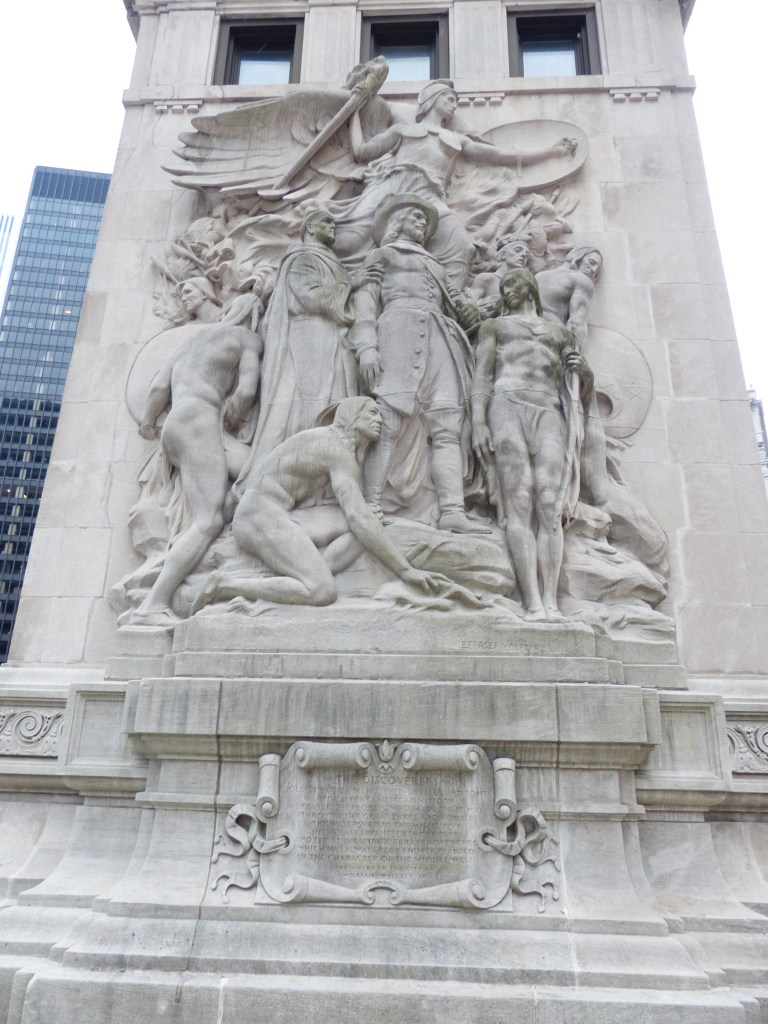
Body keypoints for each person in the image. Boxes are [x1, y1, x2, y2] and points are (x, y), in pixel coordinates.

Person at [191, 397, 448, 610]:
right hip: (258, 515)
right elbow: (358, 516)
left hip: (282, 513)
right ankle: (224, 584)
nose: (379, 420)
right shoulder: (333, 446)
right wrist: (406, 571)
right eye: (371, 413)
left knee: (369, 522)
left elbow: (362, 518)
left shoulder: (335, 446)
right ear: (352, 416)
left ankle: (311, 571)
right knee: (322, 591)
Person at [336, 80, 577, 287]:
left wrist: (550, 151)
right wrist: (353, 111)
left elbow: (502, 155)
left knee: (463, 247)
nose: (454, 105)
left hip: (430, 194)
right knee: (348, 240)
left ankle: (449, 303)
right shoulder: (402, 130)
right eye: (449, 99)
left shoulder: (457, 140)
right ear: (432, 100)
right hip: (391, 186)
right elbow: (360, 152)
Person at [350, 194, 489, 535]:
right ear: (396, 220)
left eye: (424, 218)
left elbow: (454, 303)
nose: (422, 221)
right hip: (396, 331)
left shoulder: (435, 265)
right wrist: (367, 346)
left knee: (447, 427)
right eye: (414, 215)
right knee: (388, 422)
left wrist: (471, 311)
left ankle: (453, 511)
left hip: (441, 338)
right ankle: (370, 503)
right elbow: (365, 301)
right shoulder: (381, 254)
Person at [121, 320, 263, 626]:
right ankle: (152, 605)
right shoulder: (246, 338)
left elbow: (159, 386)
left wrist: (147, 423)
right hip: (201, 419)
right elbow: (247, 390)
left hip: (174, 423)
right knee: (208, 521)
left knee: (249, 477)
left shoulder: (189, 342)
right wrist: (234, 420)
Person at [471, 270, 594, 621]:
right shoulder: (494, 328)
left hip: (548, 410)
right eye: (504, 284)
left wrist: (585, 374)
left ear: (532, 289)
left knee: (549, 501)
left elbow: (576, 386)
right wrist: (478, 422)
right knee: (519, 497)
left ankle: (551, 602)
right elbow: (482, 376)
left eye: (515, 282)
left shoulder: (561, 333)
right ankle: (532, 603)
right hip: (505, 403)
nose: (508, 288)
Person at [251, 210, 379, 458]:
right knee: (309, 401)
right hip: (309, 339)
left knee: (333, 399)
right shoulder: (303, 258)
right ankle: (297, 459)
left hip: (333, 338)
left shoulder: (328, 260)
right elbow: (309, 297)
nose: (334, 225)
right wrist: (352, 284)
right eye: (326, 221)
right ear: (309, 227)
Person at [535, 247, 602, 347]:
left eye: (597, 271)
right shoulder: (582, 280)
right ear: (578, 256)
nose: (593, 270)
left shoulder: (539, 276)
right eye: (592, 262)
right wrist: (576, 352)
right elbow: (577, 321)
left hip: (526, 330)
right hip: (551, 334)